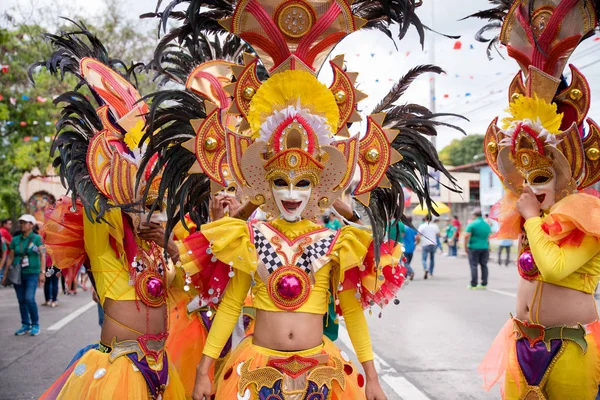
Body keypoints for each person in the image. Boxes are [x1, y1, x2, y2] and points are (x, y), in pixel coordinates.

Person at [140, 2, 460, 399]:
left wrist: (372, 378)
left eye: (303, 183)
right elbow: (229, 306)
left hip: (323, 372)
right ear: (265, 183)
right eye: (280, 181)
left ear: (319, 185)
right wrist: (205, 370)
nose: (291, 194)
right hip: (255, 368)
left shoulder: (337, 242)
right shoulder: (248, 238)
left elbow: (353, 313)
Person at [34, 24, 186, 399]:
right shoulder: (106, 244)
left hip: (161, 366)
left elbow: (186, 290)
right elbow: (98, 198)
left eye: (152, 202)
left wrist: (170, 248)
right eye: (136, 202)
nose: (147, 210)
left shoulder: (156, 249)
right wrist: (109, 145)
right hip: (119, 371)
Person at [471, 1, 600, 397]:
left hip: (571, 347)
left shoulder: (586, 213)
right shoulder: (537, 214)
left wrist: (529, 217)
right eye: (526, 176)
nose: (531, 186)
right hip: (522, 342)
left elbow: (556, 267)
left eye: (541, 176)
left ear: (568, 174)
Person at [2, 214, 46, 336]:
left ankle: (35, 324)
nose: (22, 224)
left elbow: (43, 254)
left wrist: (42, 272)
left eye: (25, 222)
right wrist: (5, 274)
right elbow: (10, 257)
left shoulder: (37, 239)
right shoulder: (15, 239)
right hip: (17, 273)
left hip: (32, 273)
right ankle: (25, 324)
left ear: (31, 225)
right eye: (21, 222)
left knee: (29, 298)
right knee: (21, 300)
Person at [463, 208, 492, 289]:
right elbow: (488, 237)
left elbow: (466, 236)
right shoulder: (487, 225)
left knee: (473, 265)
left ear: (474, 215)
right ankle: (484, 283)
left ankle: (473, 284)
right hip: (485, 247)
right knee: (484, 265)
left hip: (474, 247)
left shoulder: (472, 224)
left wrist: (465, 247)